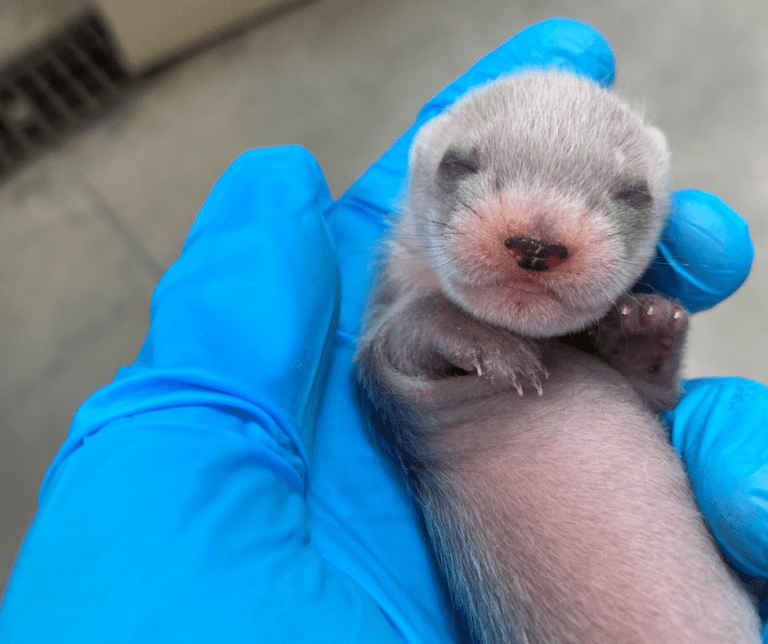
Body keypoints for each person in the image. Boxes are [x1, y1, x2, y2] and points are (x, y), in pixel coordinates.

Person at [0, 17, 766, 643]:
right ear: (427, 163)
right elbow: (394, 361)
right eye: (470, 171)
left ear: (660, 205)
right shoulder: (405, 301)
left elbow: (648, 406)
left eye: (626, 199)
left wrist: (646, 359)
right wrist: (451, 329)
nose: (539, 239)